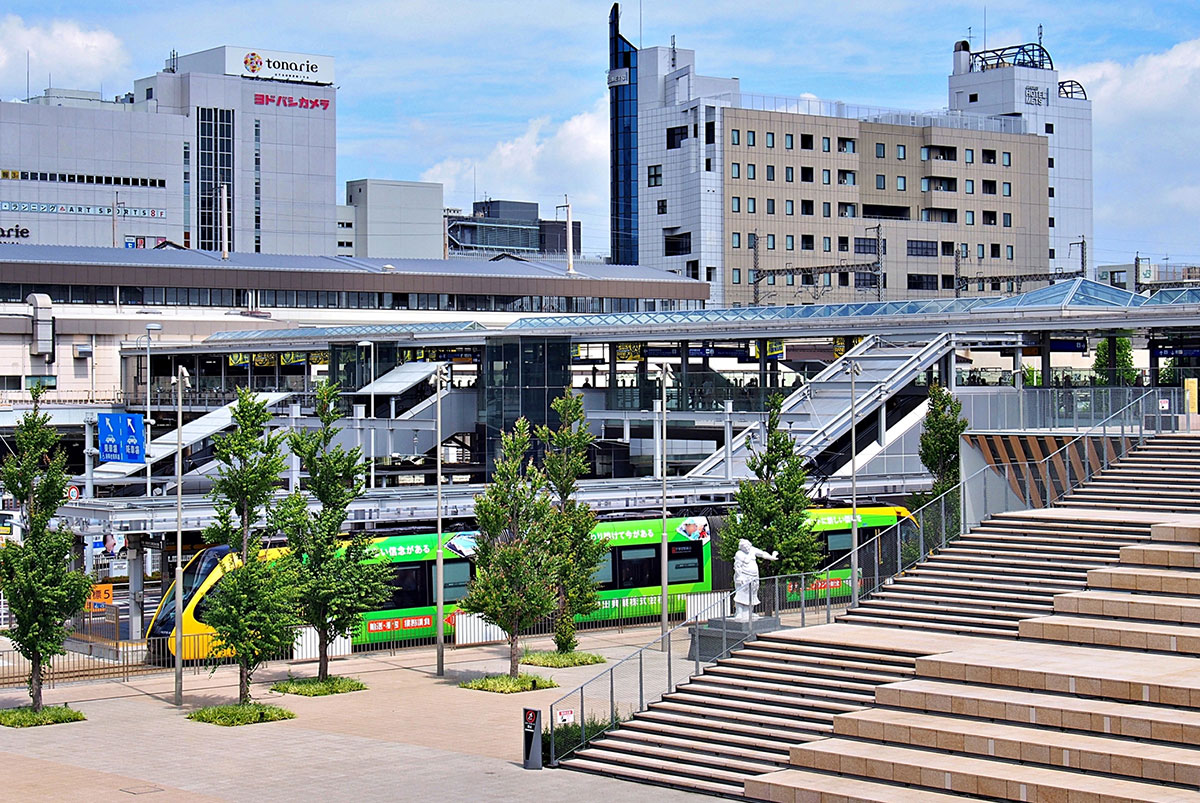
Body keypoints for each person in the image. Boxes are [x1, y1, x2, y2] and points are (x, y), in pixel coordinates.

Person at [732, 539, 779, 622]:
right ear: (741, 548)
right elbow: (737, 566)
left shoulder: (752, 549)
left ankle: (749, 611)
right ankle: (739, 612)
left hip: (754, 576)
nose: (746, 548)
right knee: (741, 594)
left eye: (747, 546)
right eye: (744, 547)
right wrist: (739, 577)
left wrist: (771, 557)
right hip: (743, 576)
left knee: (753, 593)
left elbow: (762, 554)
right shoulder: (739, 554)